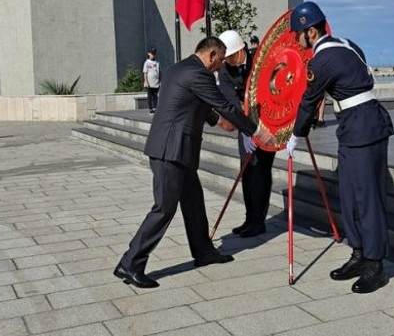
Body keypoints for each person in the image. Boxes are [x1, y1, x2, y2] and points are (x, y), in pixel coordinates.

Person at [114, 36, 277, 289]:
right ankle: (131, 263)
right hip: (171, 151)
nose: (220, 66)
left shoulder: (181, 69)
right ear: (212, 55)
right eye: (220, 61)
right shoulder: (199, 74)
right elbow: (222, 104)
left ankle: (203, 252)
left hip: (179, 150)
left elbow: (196, 103)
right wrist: (255, 131)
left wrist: (219, 123)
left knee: (194, 202)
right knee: (164, 209)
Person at [285, 1, 394, 294]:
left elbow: (310, 100)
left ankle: (375, 264)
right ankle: (359, 252)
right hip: (354, 126)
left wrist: (295, 134)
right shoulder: (348, 45)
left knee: (367, 198)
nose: (297, 41)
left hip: (363, 127)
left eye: (298, 34)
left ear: (310, 30)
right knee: (349, 196)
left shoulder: (322, 60)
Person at [217, 30, 276, 238]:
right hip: (244, 124)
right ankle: (249, 217)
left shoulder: (259, 60)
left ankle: (259, 220)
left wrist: (259, 128)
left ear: (241, 50)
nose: (229, 61)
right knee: (247, 171)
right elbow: (230, 103)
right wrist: (245, 130)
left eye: (232, 56)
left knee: (261, 171)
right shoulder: (224, 71)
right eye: (227, 58)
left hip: (267, 124)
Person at [142, 48, 161, 114]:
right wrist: (146, 81)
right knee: (150, 95)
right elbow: (145, 73)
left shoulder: (157, 63)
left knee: (155, 95)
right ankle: (150, 108)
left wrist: (160, 80)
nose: (153, 55)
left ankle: (155, 107)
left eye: (154, 54)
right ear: (149, 54)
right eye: (152, 54)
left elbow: (159, 72)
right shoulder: (146, 63)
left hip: (156, 82)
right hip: (149, 82)